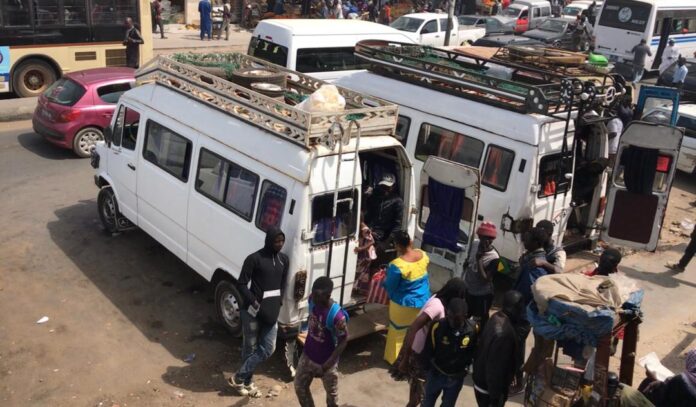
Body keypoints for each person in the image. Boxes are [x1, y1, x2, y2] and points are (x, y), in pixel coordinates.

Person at [228, 227, 289, 398]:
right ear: (269, 241)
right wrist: (254, 302)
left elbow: (283, 284)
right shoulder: (254, 259)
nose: (280, 244)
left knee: (268, 348)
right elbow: (241, 284)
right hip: (252, 312)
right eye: (276, 241)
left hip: (271, 312)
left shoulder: (284, 260)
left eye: (282, 241)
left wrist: (279, 301)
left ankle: (239, 377)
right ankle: (247, 383)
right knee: (250, 348)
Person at [391, 278, 468, 407]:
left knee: (418, 396)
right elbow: (413, 328)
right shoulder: (436, 306)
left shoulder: (441, 301)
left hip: (425, 354)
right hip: (419, 354)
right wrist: (405, 358)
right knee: (418, 398)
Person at [294, 277, 348, 407]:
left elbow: (344, 340)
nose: (314, 299)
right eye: (313, 294)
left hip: (327, 363)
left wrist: (325, 366)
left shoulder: (337, 316)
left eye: (318, 296)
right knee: (299, 387)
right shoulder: (312, 300)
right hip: (307, 355)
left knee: (332, 398)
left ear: (328, 295)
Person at [510, 227, 550, 394]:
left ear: (536, 243)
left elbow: (530, 291)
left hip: (523, 313)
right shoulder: (530, 258)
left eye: (527, 239)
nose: (524, 242)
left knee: (517, 348)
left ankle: (519, 383)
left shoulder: (537, 264)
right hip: (520, 310)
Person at [383, 231, 431, 364]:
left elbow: (390, 286)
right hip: (423, 301)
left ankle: (394, 360)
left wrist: (382, 282)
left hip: (403, 305)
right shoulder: (422, 255)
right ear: (410, 241)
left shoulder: (397, 265)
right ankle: (413, 357)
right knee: (417, 330)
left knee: (397, 331)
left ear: (397, 246)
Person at [421, 298, 478, 407]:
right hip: (436, 375)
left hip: (455, 378)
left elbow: (473, 351)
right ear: (447, 312)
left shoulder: (473, 329)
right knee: (427, 402)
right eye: (450, 318)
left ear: (465, 316)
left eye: (457, 320)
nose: (453, 322)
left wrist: (466, 367)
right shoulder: (437, 327)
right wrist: (426, 373)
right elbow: (428, 351)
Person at [473, 290, 526, 407]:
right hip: (488, 390)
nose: (522, 312)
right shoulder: (504, 335)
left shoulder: (495, 317)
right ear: (515, 308)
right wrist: (496, 398)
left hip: (480, 381)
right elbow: (495, 370)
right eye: (521, 308)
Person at [463, 222, 500, 330]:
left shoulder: (494, 257)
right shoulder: (474, 244)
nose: (487, 241)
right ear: (479, 237)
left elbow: (486, 280)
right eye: (484, 238)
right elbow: (468, 261)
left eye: (490, 239)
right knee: (467, 314)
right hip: (469, 289)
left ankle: (480, 338)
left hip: (482, 294)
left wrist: (479, 260)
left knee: (481, 319)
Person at [364, 173, 404, 256]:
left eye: (388, 187)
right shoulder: (374, 197)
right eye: (383, 187)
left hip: (383, 237)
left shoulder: (397, 201)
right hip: (369, 232)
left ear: (393, 187)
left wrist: (386, 243)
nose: (385, 189)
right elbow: (367, 215)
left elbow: (397, 225)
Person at [353, 221, 376, 295]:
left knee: (360, 272)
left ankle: (359, 290)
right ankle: (359, 290)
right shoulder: (358, 227)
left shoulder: (364, 229)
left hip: (365, 255)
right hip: (361, 254)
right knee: (362, 273)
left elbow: (372, 241)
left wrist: (361, 248)